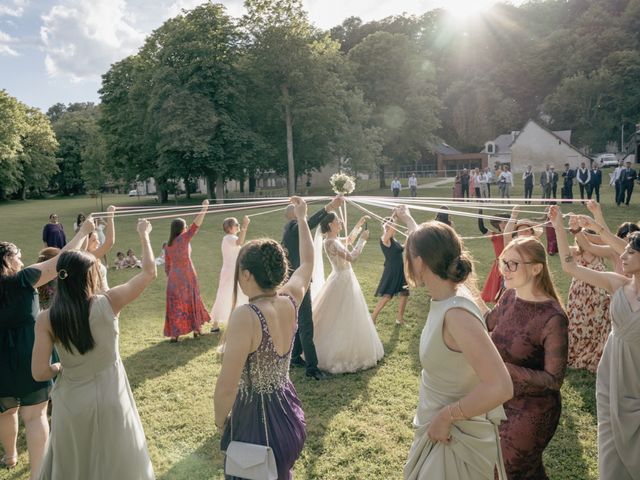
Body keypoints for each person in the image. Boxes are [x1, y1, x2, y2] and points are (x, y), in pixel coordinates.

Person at [392, 207, 512, 480]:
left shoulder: (457, 314)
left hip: (455, 439)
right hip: (435, 429)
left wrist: (447, 417)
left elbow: (501, 386)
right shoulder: (448, 296)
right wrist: (411, 222)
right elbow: (425, 245)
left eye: (408, 256)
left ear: (419, 262)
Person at [32, 218, 156, 480]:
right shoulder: (109, 302)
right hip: (112, 397)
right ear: (89, 276)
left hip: (71, 403)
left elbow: (40, 372)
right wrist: (144, 235)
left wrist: (61, 366)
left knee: (76, 467)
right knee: (117, 466)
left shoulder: (46, 318)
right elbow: (148, 273)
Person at [214, 197, 311, 480]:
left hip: (257, 425)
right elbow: (307, 262)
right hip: (289, 414)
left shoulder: (247, 315)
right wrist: (303, 219)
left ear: (246, 274)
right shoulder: (291, 298)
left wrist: (222, 424)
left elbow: (227, 387)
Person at [550, 207, 640, 480]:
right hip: (611, 376)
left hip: (637, 379)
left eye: (630, 252)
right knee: (610, 452)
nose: (622, 256)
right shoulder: (617, 285)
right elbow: (569, 266)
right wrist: (558, 227)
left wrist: (598, 224)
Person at [0, 220, 93, 476]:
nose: (21, 260)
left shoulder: (22, 278)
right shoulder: (23, 278)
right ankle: (39, 473)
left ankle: (9, 456)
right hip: (29, 354)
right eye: (17, 256)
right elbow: (61, 260)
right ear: (8, 259)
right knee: (35, 416)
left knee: (5, 412)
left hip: (1, 361)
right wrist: (83, 232)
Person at [477, 236, 568, 479]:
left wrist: (503, 367)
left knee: (503, 472)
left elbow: (554, 380)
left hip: (533, 409)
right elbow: (487, 323)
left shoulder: (553, 317)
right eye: (503, 262)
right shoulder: (508, 297)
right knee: (526, 472)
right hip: (500, 399)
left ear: (537, 268)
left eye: (513, 264)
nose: (504, 269)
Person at [312, 213, 383, 374]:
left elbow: (348, 240)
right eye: (338, 221)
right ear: (330, 225)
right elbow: (352, 257)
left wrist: (358, 225)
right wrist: (363, 240)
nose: (341, 222)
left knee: (345, 314)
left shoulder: (333, 240)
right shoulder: (331, 242)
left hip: (343, 278)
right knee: (343, 315)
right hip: (342, 280)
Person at [283, 196, 342, 380]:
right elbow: (309, 222)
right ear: (294, 214)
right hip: (299, 282)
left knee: (300, 322)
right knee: (306, 323)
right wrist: (329, 207)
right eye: (299, 210)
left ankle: (294, 357)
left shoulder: (290, 229)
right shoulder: (294, 227)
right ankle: (312, 368)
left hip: (295, 280)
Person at [564, 216, 611, 373]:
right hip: (579, 294)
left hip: (598, 295)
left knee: (596, 323)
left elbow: (607, 238)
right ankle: (576, 352)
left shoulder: (602, 253)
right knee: (578, 322)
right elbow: (564, 256)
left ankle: (592, 352)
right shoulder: (573, 252)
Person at [163, 200, 211, 342]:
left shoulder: (167, 245)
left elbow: (167, 266)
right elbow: (195, 225)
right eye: (185, 227)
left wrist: (171, 277)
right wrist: (204, 209)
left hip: (173, 278)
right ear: (182, 229)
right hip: (187, 275)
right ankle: (197, 330)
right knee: (191, 299)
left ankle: (175, 335)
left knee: (175, 304)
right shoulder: (184, 239)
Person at [210, 216, 251, 332]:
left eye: (238, 224)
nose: (238, 226)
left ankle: (237, 320)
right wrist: (245, 226)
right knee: (225, 295)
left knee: (237, 294)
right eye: (236, 224)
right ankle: (215, 324)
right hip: (230, 272)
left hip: (234, 270)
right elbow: (240, 242)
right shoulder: (229, 238)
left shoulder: (230, 238)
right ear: (229, 228)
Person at [371, 217, 409, 325]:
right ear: (385, 226)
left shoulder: (394, 239)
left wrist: (407, 237)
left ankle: (399, 318)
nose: (391, 227)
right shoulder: (384, 238)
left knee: (405, 293)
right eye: (388, 225)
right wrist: (396, 218)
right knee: (387, 296)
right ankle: (373, 317)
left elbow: (402, 248)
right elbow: (392, 228)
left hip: (400, 270)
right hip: (392, 271)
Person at [477, 210, 509, 303]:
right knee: (499, 286)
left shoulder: (513, 237)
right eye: (502, 222)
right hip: (499, 265)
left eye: (507, 222)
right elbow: (482, 228)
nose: (504, 224)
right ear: (498, 225)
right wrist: (480, 210)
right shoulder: (496, 236)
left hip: (512, 264)